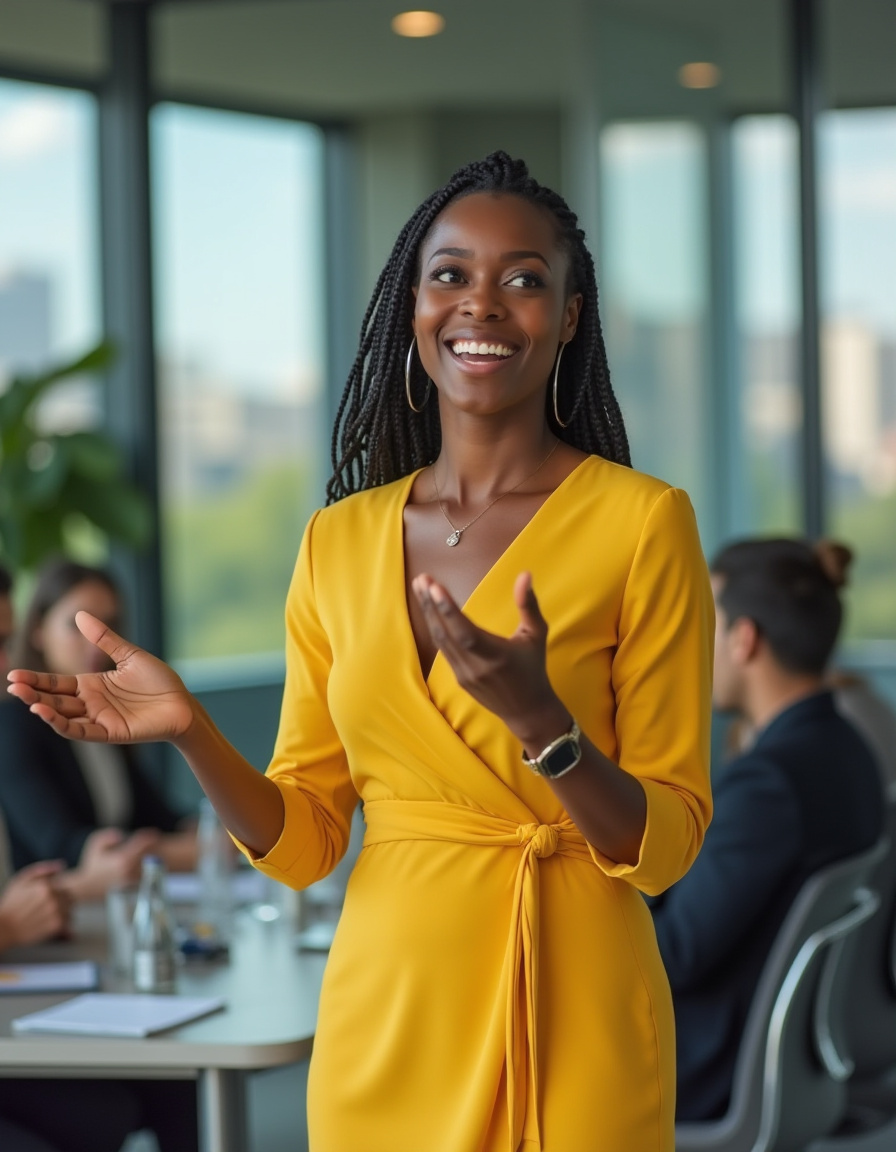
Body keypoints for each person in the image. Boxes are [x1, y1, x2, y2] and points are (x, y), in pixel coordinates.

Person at [8, 153, 714, 1151]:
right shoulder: (334, 541)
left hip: (570, 1000)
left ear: (567, 317)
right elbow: (307, 843)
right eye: (450, 274)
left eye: (523, 278)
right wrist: (193, 734)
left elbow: (667, 845)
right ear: (410, 305)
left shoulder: (644, 525)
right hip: (385, 1012)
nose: (482, 304)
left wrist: (542, 727)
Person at [649, 537, 884, 1123]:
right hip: (794, 1060)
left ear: (744, 639)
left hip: (705, 1071)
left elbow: (673, 954)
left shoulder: (769, 783)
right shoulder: (846, 750)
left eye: (704, 624)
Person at [0, 559, 197, 892]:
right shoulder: (15, 721)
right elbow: (64, 847)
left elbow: (160, 815)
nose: (96, 644)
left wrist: (205, 831)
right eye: (76, 626)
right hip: (61, 923)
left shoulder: (98, 713)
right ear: (37, 631)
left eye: (109, 626)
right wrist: (180, 852)